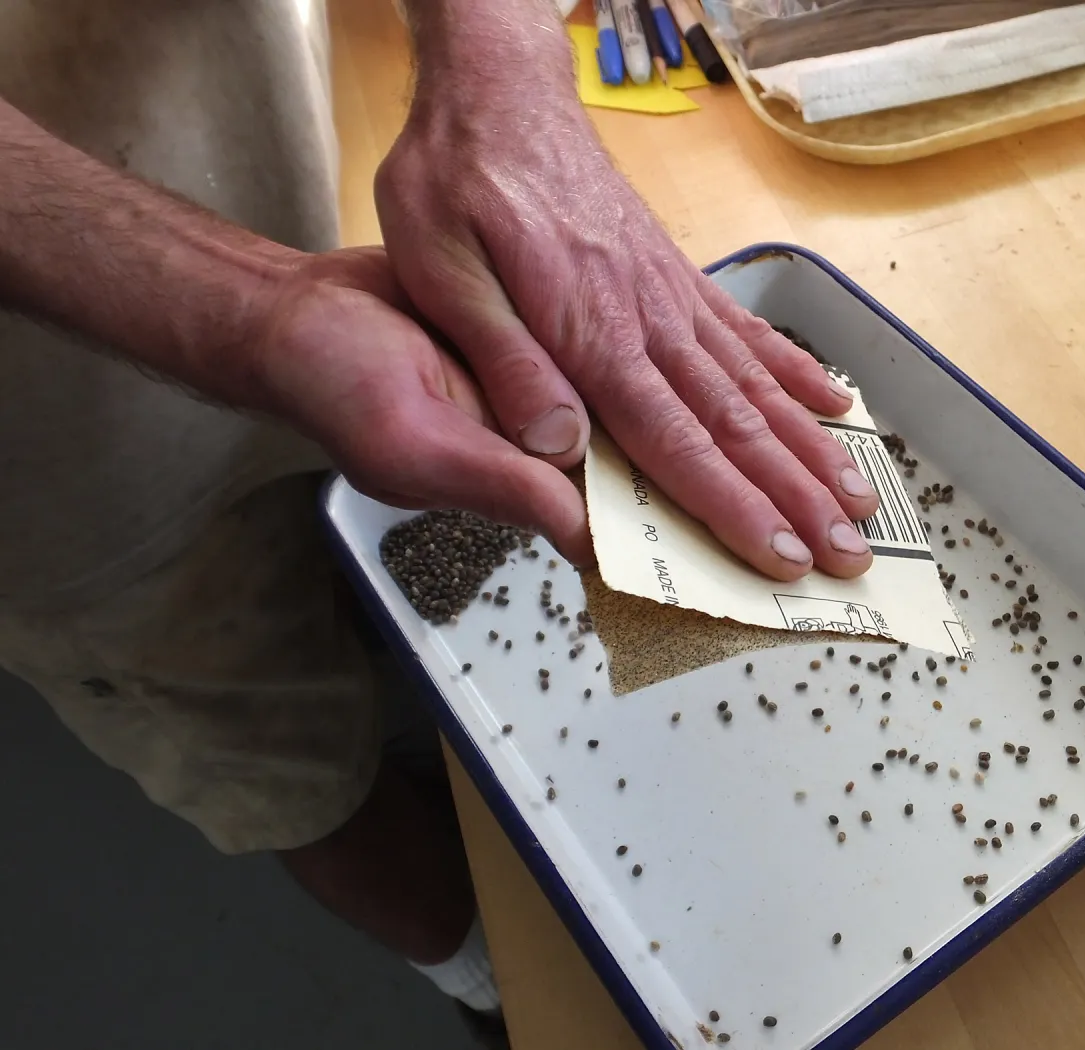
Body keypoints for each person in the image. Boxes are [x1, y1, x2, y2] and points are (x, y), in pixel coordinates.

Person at [0, 0, 879, 1031]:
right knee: (275, 758)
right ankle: (482, 972)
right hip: (53, 428)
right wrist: (256, 308)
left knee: (376, 551)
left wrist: (501, 74)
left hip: (273, 164)